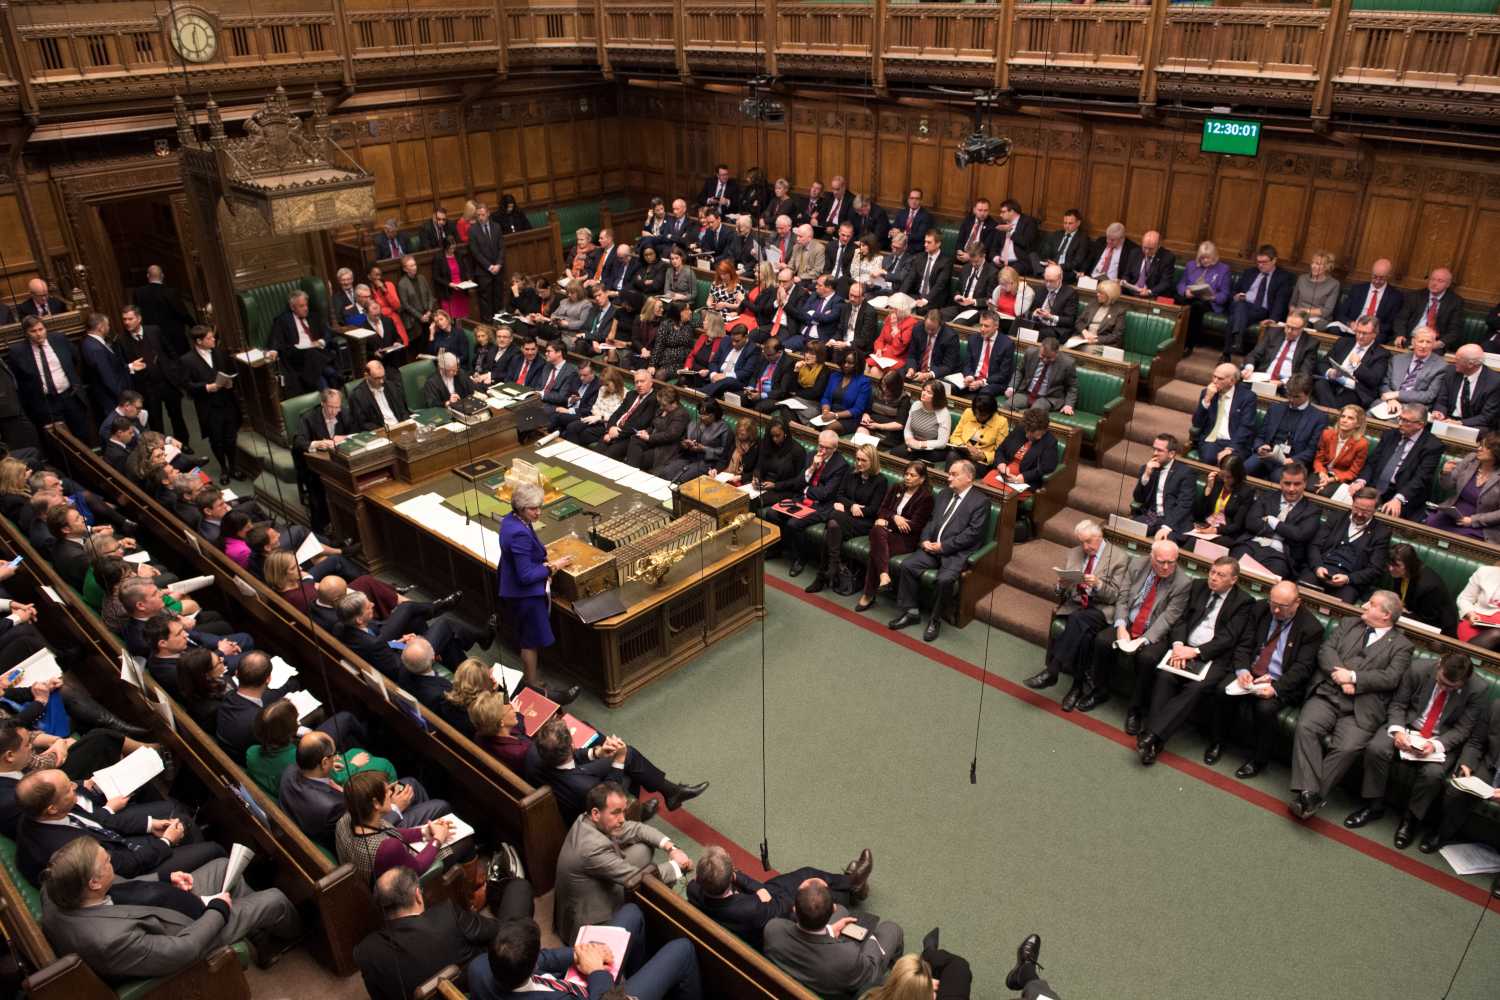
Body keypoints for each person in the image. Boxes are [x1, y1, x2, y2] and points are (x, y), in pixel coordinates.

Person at [39, 838, 301, 982]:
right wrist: (218, 910)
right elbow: (182, 951)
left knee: (223, 865)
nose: (111, 860)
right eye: (106, 862)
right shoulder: (109, 940)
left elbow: (120, 886)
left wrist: (166, 878)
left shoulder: (57, 886)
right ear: (93, 882)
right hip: (190, 931)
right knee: (275, 899)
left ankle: (256, 932)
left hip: (163, 903)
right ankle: (289, 937)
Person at [1289, 591, 1413, 820]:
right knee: (1306, 727)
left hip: (1361, 709)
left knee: (1346, 748)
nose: (1365, 605)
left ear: (1385, 615)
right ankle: (1311, 795)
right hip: (1328, 694)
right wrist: (1341, 676)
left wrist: (1354, 678)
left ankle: (1308, 796)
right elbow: (1326, 650)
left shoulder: (1402, 646)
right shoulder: (1349, 624)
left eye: (1372, 604)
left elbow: (1391, 677)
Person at [1344, 652, 1485, 849]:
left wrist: (1434, 745)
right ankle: (1373, 805)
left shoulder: (1477, 689)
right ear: (1439, 666)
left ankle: (1410, 821)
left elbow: (1463, 729)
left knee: (1433, 774)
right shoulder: (1418, 669)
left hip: (1440, 738)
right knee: (1377, 748)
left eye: (1451, 687)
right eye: (1441, 682)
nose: (1444, 688)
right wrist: (1398, 731)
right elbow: (1398, 704)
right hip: (1409, 726)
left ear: (1464, 681)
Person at [1131, 557, 1255, 766]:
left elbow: (1229, 638)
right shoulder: (1197, 586)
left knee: (1196, 688)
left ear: (1233, 580)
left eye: (1220, 575)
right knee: (1165, 676)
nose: (1213, 578)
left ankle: (1151, 736)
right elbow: (1181, 620)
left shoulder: (1243, 602)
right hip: (1182, 648)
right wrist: (1179, 646)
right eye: (1212, 572)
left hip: (1213, 657)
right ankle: (1154, 742)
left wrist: (1195, 652)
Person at [14, 768, 222, 884]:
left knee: (182, 821)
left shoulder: (47, 810)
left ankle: (188, 865)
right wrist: (167, 842)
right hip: (127, 875)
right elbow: (124, 867)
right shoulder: (67, 849)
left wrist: (150, 826)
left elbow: (100, 821)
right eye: (68, 788)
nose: (75, 786)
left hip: (116, 846)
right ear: (51, 808)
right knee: (215, 850)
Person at [355, 866, 533, 1000]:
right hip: (482, 983)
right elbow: (495, 930)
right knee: (519, 889)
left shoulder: (364, 952)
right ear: (418, 895)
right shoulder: (446, 915)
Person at [554, 782, 693, 944]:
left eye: (623, 812)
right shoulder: (591, 849)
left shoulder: (586, 820)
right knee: (648, 900)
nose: (622, 819)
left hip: (594, 886)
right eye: (616, 813)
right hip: (591, 917)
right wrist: (677, 867)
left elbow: (637, 829)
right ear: (596, 813)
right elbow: (635, 879)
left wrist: (671, 848)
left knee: (644, 848)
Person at [474, 903, 702, 1000]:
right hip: (603, 995)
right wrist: (595, 971)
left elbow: (543, 959)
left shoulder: (480, 967)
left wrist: (579, 953)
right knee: (682, 950)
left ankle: (634, 976)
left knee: (631, 913)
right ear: (531, 964)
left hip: (574, 984)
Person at [525, 715, 706, 825]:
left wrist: (598, 752)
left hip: (564, 779)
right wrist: (618, 760)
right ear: (571, 745)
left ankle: (672, 793)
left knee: (630, 756)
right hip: (584, 807)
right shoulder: (585, 787)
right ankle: (634, 813)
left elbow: (571, 755)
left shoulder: (535, 752)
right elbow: (610, 793)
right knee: (627, 765)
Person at [886, 460, 989, 642]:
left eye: (954, 474)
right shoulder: (944, 494)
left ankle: (935, 620)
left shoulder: (980, 502)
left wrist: (944, 546)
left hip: (955, 552)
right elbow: (930, 521)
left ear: (969, 477)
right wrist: (925, 540)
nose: (949, 477)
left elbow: (973, 534)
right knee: (908, 565)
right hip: (931, 547)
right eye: (949, 473)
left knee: (944, 579)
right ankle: (911, 611)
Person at [1025, 518, 1131, 692]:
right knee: (1085, 633)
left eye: (1088, 542)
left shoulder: (1119, 557)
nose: (1085, 547)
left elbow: (1115, 597)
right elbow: (1060, 592)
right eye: (1082, 542)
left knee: (1077, 619)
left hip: (1100, 609)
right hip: (1077, 606)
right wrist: (1062, 585)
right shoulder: (1074, 553)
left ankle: (1052, 671)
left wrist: (1098, 585)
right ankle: (1077, 687)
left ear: (1100, 536)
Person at [284, 731, 446, 845]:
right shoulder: (333, 808)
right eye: (334, 755)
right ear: (325, 762)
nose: (337, 757)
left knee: (410, 783)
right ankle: (435, 832)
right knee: (438, 803)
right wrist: (396, 807)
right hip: (372, 838)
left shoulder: (290, 773)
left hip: (349, 819)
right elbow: (366, 831)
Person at [498, 480, 580, 702]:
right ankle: (531, 682)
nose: (538, 512)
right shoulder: (518, 533)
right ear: (521, 507)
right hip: (524, 595)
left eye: (539, 507)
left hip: (514, 588)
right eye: (533, 508)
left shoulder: (512, 520)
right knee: (529, 640)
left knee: (528, 636)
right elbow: (525, 576)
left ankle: (531, 679)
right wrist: (552, 567)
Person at [762, 878, 903, 997]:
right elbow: (871, 971)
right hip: (833, 987)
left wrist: (830, 930)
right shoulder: (848, 957)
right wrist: (871, 938)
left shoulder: (773, 929)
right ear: (831, 911)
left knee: (843, 911)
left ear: (794, 909)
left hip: (790, 985)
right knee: (891, 928)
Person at [244, 699, 393, 799]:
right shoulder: (299, 759)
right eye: (296, 720)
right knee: (377, 761)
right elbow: (336, 779)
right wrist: (354, 764)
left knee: (345, 726)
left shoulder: (251, 752)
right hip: (330, 786)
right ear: (291, 730)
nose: (298, 722)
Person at [335, 771, 460, 884]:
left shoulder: (346, 820)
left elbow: (387, 830)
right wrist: (437, 839)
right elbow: (418, 868)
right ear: (376, 803)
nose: (391, 792)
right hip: (401, 889)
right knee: (464, 844)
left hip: (373, 875)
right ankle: (471, 897)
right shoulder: (388, 847)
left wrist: (424, 832)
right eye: (387, 790)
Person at [1422, 698, 1500, 861]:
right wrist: (1467, 764)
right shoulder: (1496, 705)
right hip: (1492, 765)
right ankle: (1442, 833)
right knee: (1457, 789)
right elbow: (1476, 742)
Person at [765, 429, 849, 575]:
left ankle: (800, 559)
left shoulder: (840, 465)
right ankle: (777, 548)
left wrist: (806, 490)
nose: (821, 450)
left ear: (835, 449)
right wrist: (812, 467)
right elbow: (798, 483)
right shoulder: (811, 455)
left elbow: (826, 493)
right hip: (801, 500)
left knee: (794, 523)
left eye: (826, 448)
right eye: (820, 446)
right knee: (772, 513)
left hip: (821, 506)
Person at [1226, 461, 1321, 580]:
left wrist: (1272, 521)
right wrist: (1285, 532)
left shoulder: (1312, 510)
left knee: (1271, 578)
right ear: (1280, 482)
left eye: (1297, 484)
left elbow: (1299, 535)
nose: (1292, 489)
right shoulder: (1266, 497)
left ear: (1305, 484)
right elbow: (1251, 522)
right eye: (1287, 483)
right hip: (1251, 544)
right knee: (1230, 570)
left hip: (1280, 555)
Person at [1349, 402, 1445, 517]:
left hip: (1403, 493)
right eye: (1400, 418)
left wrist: (1399, 499)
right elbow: (1371, 463)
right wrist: (1361, 481)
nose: (1400, 424)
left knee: (1387, 513)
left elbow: (1420, 479)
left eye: (1406, 421)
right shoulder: (1390, 435)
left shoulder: (1432, 446)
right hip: (1373, 487)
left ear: (1420, 425)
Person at [7, 316, 92, 442]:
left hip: (70, 397)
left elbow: (74, 360)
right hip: (46, 403)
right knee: (59, 441)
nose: (38, 334)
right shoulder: (18, 352)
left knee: (82, 434)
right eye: (33, 331)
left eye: (41, 329)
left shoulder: (59, 339)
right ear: (26, 333)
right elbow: (19, 380)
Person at [1298, 487, 1389, 603]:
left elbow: (1375, 569)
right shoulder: (1337, 517)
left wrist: (1348, 579)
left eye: (1366, 511)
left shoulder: (1381, 533)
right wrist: (1317, 567)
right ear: (1352, 503)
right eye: (1357, 508)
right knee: (1298, 595)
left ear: (1375, 510)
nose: (1360, 514)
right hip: (1321, 570)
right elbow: (1314, 545)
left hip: (1349, 581)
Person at [177, 325, 243, 484]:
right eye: (209, 338)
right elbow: (186, 385)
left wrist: (230, 383)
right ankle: (224, 468)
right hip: (209, 407)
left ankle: (233, 467)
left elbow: (231, 371)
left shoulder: (220, 353)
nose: (214, 339)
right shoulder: (187, 360)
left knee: (230, 438)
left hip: (227, 402)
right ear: (199, 341)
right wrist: (206, 387)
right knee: (216, 440)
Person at [1243, 374, 1324, 481]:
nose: (1291, 399)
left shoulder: (1318, 417)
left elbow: (1311, 451)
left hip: (1292, 462)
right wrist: (1260, 447)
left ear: (1308, 394)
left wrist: (1293, 460)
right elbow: (1260, 436)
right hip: (1267, 456)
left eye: (1296, 396)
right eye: (1289, 395)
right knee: (1244, 469)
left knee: (1279, 477)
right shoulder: (1276, 408)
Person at [1224, 243, 1294, 359]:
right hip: (1242, 304)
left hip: (1260, 311)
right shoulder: (1250, 272)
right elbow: (1234, 291)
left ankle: (1227, 353)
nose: (1260, 265)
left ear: (1274, 260)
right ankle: (1237, 341)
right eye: (1258, 262)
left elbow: (1280, 301)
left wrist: (1273, 319)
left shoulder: (1283, 277)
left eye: (1264, 262)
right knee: (1240, 306)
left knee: (1234, 317)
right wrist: (1236, 296)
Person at [1428, 432, 1500, 541]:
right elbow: (1447, 486)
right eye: (1480, 445)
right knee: (1430, 525)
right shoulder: (1471, 459)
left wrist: (1473, 520)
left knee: (1460, 539)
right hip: (1454, 513)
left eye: (1485, 447)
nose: (1479, 449)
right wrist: (1446, 473)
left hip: (1483, 524)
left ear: (1496, 452)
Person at [1315, 312, 1390, 407]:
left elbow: (1373, 380)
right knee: (1320, 384)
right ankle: (1332, 410)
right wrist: (1330, 372)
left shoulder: (1381, 354)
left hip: (1355, 390)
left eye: (1365, 333)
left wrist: (1357, 365)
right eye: (1358, 332)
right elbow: (1323, 363)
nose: (1360, 336)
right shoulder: (1343, 342)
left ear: (1374, 334)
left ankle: (1329, 411)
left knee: (1349, 397)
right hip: (1333, 382)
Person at [1381, 543, 1456, 635]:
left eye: (1396, 565)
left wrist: (1400, 611)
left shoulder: (1429, 587)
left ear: (1409, 565)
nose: (1390, 568)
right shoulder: (1400, 573)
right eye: (1389, 563)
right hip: (1409, 616)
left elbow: (1428, 621)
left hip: (1438, 633)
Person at [1131, 433, 1195, 540]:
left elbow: (1184, 505)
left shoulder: (1185, 473)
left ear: (1171, 454)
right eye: (1154, 449)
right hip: (1152, 516)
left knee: (1165, 544)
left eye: (1159, 450)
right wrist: (1146, 475)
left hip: (1173, 518)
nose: (1155, 453)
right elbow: (1138, 498)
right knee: (1126, 530)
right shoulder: (1147, 468)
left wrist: (1167, 527)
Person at [1189, 362, 1255, 463]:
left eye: (1220, 379)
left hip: (1235, 441)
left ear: (1232, 381)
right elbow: (1197, 423)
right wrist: (1206, 400)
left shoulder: (1247, 397)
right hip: (1212, 439)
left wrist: (1230, 448)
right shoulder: (1207, 393)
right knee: (1209, 457)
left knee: (1231, 462)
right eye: (1214, 376)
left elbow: (1246, 427)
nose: (1215, 381)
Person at [654, 397, 729, 481]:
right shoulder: (694, 423)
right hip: (688, 457)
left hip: (706, 462)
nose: (701, 417)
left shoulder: (723, 428)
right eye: (700, 413)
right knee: (665, 473)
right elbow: (683, 440)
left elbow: (723, 454)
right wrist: (685, 444)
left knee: (681, 479)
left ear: (713, 415)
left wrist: (703, 448)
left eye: (704, 414)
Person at [1243, 311, 1320, 391]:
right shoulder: (1273, 333)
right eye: (1287, 326)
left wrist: (1282, 382)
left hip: (1288, 385)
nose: (1289, 331)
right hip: (1262, 378)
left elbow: (1305, 373)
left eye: (1294, 328)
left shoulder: (1310, 343)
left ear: (1303, 327)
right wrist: (1249, 368)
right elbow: (1254, 354)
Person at [1391, 267, 1464, 351]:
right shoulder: (1414, 296)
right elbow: (1401, 319)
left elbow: (1454, 330)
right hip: (1410, 340)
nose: (1434, 283)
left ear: (1448, 284)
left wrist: (1439, 344)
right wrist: (1400, 335)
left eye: (1440, 281)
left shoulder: (1455, 302)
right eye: (1432, 279)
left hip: (1435, 344)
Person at [1376, 327, 1447, 411]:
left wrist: (1398, 394)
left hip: (1415, 407)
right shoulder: (1397, 359)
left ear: (1433, 344)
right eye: (1421, 341)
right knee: (1370, 413)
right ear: (1413, 342)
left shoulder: (1440, 366)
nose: (1424, 346)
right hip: (1389, 401)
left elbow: (1429, 396)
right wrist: (1391, 399)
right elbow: (1384, 383)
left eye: (1428, 342)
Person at [1332, 257, 1404, 340]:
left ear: (1388, 276)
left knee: (1380, 338)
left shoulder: (1395, 296)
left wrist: (1372, 329)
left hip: (1374, 332)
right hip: (1353, 328)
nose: (1377, 281)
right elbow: (1341, 313)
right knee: (1334, 329)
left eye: (1381, 278)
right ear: (1371, 273)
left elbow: (1391, 325)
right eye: (1375, 277)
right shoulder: (1357, 289)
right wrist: (1350, 323)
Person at [1175, 240, 1232, 346]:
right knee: (1177, 299)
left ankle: (1187, 344)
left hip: (1209, 302)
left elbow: (1225, 294)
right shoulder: (1191, 265)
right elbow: (1181, 284)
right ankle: (1172, 338)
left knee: (1196, 306)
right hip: (1190, 297)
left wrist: (1213, 297)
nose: (1205, 260)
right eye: (1202, 258)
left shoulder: (1223, 269)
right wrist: (1185, 291)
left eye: (1208, 257)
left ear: (1214, 256)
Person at [991, 404, 1059, 492]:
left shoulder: (1050, 442)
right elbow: (1001, 449)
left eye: (1034, 433)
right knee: (985, 484)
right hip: (1004, 474)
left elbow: (1045, 468)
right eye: (1028, 431)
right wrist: (1000, 463)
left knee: (1003, 494)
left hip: (1025, 481)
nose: (1027, 435)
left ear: (1044, 430)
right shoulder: (1020, 429)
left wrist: (1023, 477)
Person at [1431, 343, 1500, 428]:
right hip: (1447, 419)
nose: (1453, 361)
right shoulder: (1451, 371)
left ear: (1470, 364)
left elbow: (1487, 416)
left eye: (1458, 359)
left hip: (1474, 424)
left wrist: (1460, 423)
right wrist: (1439, 412)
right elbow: (1442, 400)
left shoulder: (1495, 382)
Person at [1008, 336, 1077, 415]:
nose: (1045, 360)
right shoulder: (1030, 353)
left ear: (1057, 353)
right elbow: (1020, 371)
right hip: (1026, 393)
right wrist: (1012, 387)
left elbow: (1072, 387)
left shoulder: (1067, 363)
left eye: (1049, 358)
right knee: (1008, 405)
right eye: (1042, 356)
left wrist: (1069, 405)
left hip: (1048, 398)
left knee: (1034, 412)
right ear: (1040, 348)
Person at [1312, 404, 1369, 496]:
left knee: (1325, 493)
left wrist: (1332, 479)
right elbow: (1318, 459)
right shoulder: (1327, 434)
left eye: (1350, 418)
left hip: (1340, 478)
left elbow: (1352, 472)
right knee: (1309, 487)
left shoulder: (1362, 444)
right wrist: (1322, 473)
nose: (1344, 420)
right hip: (1322, 472)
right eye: (1343, 416)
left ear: (1358, 424)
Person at [817, 350, 873, 434]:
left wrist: (835, 416)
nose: (846, 365)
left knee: (829, 428)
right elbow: (826, 397)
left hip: (850, 418)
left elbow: (858, 409)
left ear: (858, 364)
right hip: (831, 412)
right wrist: (825, 411)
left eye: (850, 363)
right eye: (844, 362)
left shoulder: (864, 382)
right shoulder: (834, 376)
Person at [894, 381, 952, 459]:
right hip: (914, 443)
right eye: (924, 390)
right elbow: (908, 429)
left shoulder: (944, 413)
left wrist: (920, 444)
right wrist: (909, 441)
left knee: (911, 455)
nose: (924, 393)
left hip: (932, 449)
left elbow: (942, 443)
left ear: (937, 397)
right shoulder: (916, 405)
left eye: (929, 392)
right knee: (895, 452)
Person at [469, 202, 507, 319]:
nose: (480, 217)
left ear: (488, 213)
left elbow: (501, 247)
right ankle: (488, 324)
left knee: (498, 297)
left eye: (483, 215)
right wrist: (489, 266)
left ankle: (499, 322)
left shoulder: (496, 227)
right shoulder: (473, 230)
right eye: (478, 215)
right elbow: (476, 253)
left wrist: (499, 264)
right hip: (483, 271)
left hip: (498, 269)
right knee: (486, 301)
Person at [349, 359, 411, 431]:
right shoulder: (357, 396)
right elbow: (363, 423)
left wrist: (407, 423)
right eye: (377, 378)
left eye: (383, 377)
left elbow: (403, 410)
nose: (381, 381)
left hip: (401, 427)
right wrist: (385, 430)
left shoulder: (391, 386)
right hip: (381, 432)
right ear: (366, 376)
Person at [1022, 265, 1078, 336]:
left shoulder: (1070, 293)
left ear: (1060, 278)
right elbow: (1029, 312)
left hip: (1056, 329)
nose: (1048, 284)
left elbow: (1070, 320)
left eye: (1051, 281)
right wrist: (1034, 314)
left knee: (1039, 333)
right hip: (1038, 325)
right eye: (1046, 280)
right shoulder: (1040, 289)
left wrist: (1051, 317)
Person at [1071, 279, 1127, 346]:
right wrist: (1084, 331)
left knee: (1085, 349)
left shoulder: (1119, 311)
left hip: (1101, 343)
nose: (1097, 294)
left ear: (1110, 295)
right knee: (1068, 346)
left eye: (1101, 293)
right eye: (1098, 292)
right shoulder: (1093, 303)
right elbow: (1079, 321)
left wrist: (1096, 339)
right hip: (1083, 338)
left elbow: (1116, 336)